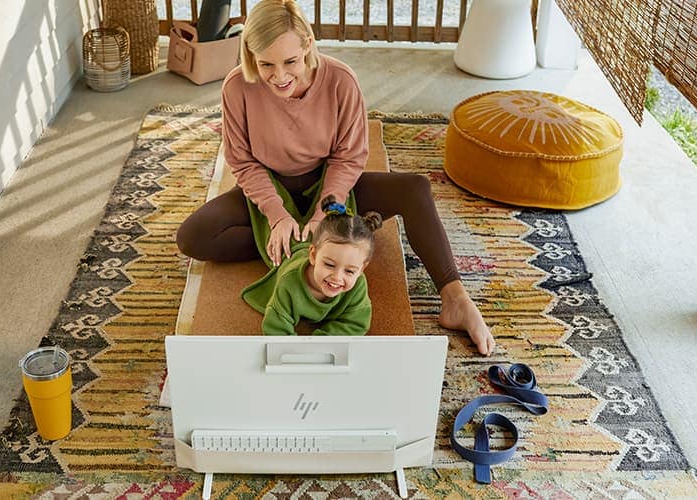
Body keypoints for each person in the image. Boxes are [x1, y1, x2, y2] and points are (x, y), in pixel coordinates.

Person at [175, 0, 495, 355]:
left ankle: (456, 299)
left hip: (329, 184)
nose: (279, 76)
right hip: (271, 183)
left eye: (290, 62)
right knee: (192, 237)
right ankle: (294, 244)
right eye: (266, 64)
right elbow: (243, 160)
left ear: (307, 46)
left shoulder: (340, 80)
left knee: (415, 189)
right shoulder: (237, 87)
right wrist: (277, 216)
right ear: (251, 55)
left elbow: (349, 156)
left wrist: (326, 213)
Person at [248, 196, 382, 335]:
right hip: (291, 248)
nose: (337, 277)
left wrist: (321, 341)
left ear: (361, 269)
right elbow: (276, 327)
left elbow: (356, 323)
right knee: (263, 221)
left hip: (318, 239)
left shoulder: (359, 283)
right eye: (329, 265)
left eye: (349, 271)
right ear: (312, 255)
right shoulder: (289, 282)